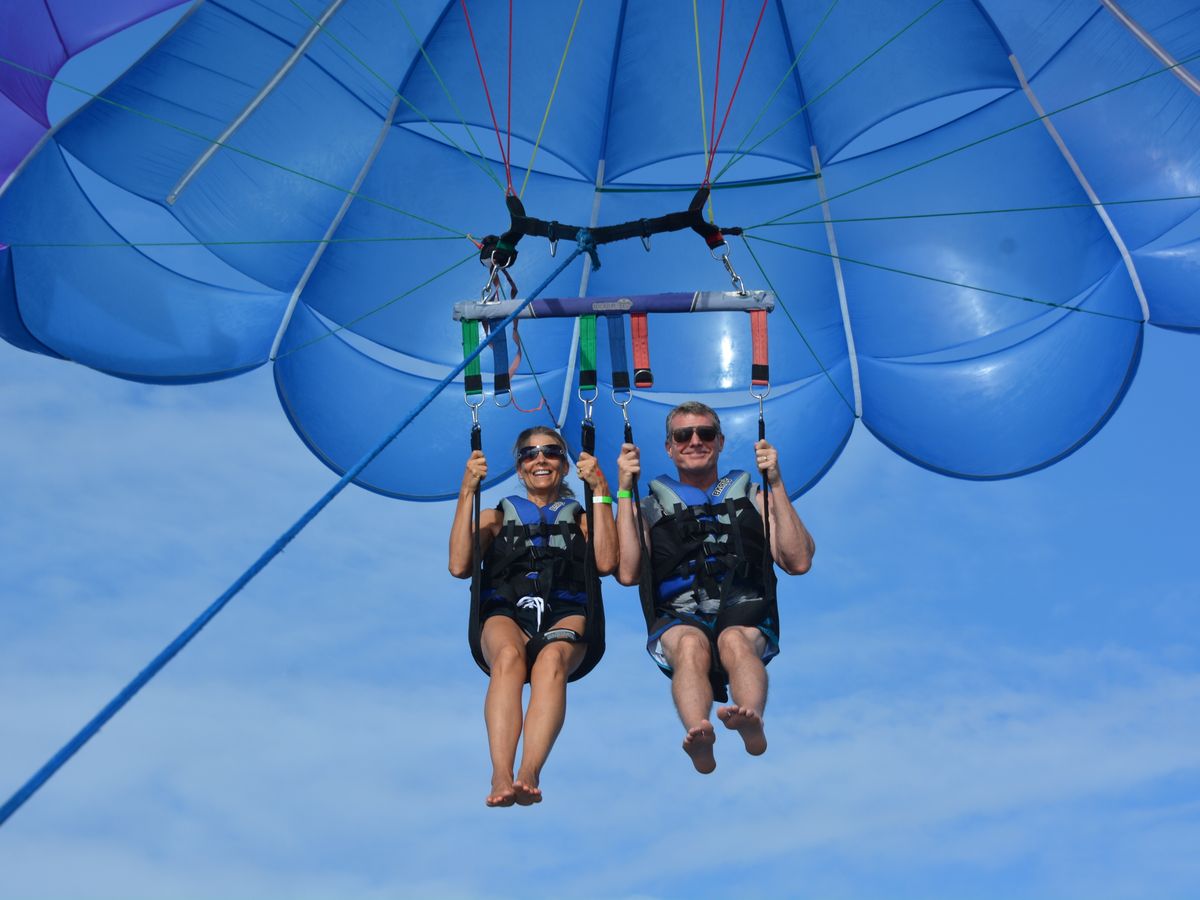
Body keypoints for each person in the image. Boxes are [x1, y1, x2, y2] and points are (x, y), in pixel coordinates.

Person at [615, 401, 813, 774]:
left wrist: (775, 482)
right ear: (669, 447)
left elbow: (798, 560)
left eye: (705, 433)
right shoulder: (649, 507)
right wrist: (624, 490)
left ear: (720, 442)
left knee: (734, 641)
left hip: (745, 605)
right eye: (683, 435)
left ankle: (750, 718)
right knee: (690, 646)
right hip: (679, 613)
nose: (695, 441)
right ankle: (699, 732)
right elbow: (627, 573)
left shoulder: (753, 495)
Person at [449, 425, 617, 807]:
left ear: (565, 465)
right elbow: (459, 565)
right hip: (506, 612)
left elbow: (607, 562)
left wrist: (601, 491)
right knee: (509, 658)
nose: (540, 459)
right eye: (530, 453)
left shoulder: (583, 521)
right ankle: (500, 774)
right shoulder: (494, 518)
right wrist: (467, 491)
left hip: (566, 611)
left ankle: (529, 772)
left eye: (552, 452)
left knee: (551, 661)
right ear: (520, 467)